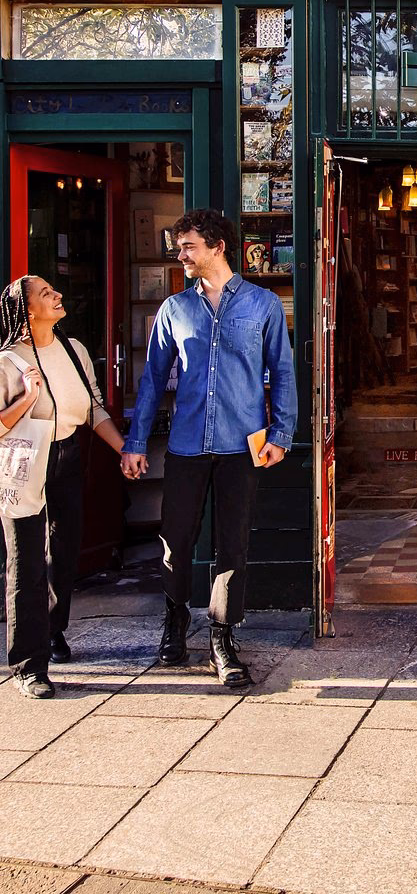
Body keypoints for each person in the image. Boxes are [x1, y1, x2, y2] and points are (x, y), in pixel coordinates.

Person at [121, 209, 297, 688]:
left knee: (232, 545)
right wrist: (135, 442)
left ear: (218, 246)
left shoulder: (262, 305)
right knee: (176, 543)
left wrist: (281, 434)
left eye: (188, 247)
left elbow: (282, 371)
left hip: (242, 447)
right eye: (179, 248)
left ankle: (222, 636)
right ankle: (175, 621)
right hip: (186, 446)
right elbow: (154, 379)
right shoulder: (174, 310)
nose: (180, 256)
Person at [0, 276, 126, 698]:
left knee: (65, 548)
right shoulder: (9, 360)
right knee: (26, 562)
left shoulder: (75, 351)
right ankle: (27, 666)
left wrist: (124, 450)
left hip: (67, 454)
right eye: (46, 294)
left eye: (56, 289)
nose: (57, 295)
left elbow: (92, 407)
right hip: (24, 460)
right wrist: (26, 396)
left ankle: (53, 631)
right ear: (27, 310)